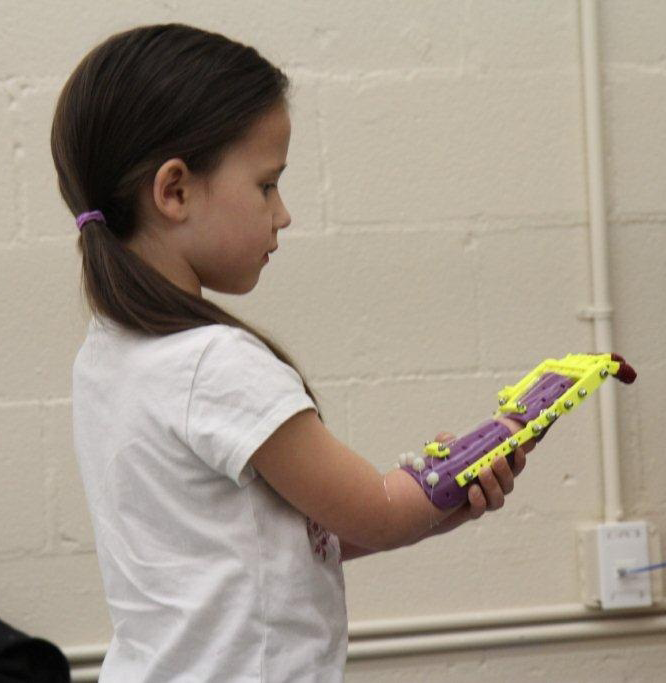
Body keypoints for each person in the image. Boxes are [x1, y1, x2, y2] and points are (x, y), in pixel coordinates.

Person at [51, 23, 534, 683]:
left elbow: (273, 547)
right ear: (175, 190)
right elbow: (381, 511)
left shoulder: (108, 355)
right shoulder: (214, 365)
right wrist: (500, 439)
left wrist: (436, 505)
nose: (283, 214)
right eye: (266, 185)